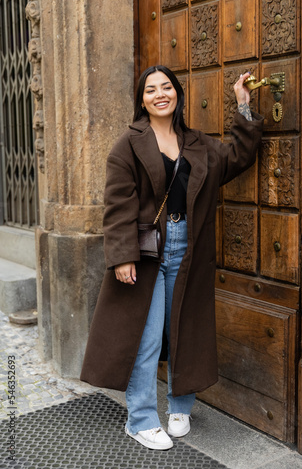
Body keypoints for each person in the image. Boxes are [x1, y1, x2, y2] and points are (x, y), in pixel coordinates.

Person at [80, 65, 263, 450]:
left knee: (185, 328)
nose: (160, 94)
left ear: (177, 94)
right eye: (151, 89)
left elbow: (239, 157)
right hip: (147, 251)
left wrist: (243, 106)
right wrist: (122, 256)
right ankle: (141, 418)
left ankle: (180, 406)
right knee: (146, 337)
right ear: (142, 99)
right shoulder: (127, 144)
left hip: (189, 247)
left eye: (167, 87)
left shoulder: (197, 142)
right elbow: (117, 205)